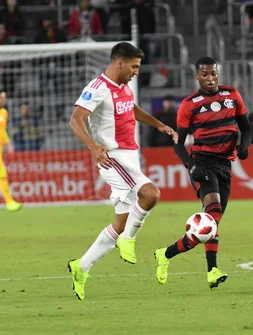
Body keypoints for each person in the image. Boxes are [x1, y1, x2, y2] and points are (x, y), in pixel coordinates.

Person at [66, 42, 178, 301]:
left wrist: (159, 124)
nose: (137, 72)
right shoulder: (97, 88)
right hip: (111, 157)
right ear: (120, 63)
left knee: (119, 222)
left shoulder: (124, 87)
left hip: (129, 158)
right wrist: (94, 148)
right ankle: (128, 240)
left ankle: (80, 267)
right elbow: (76, 118)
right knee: (151, 195)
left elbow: (132, 109)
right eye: (134, 66)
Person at [153, 56, 252, 289]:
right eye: (205, 74)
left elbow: (246, 127)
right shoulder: (189, 104)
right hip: (202, 164)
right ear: (197, 76)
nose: (210, 78)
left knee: (211, 224)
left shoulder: (231, 95)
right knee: (212, 213)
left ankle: (165, 254)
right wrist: (190, 165)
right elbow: (178, 144)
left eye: (214, 73)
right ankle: (212, 271)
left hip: (224, 165)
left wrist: (244, 145)